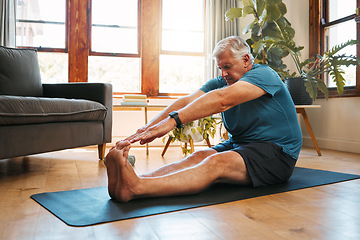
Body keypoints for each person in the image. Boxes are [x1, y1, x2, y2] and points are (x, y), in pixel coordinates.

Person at [105, 36, 303, 202]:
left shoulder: (264, 75)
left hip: (278, 153)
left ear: (246, 60)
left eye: (228, 66)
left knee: (215, 162)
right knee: (198, 157)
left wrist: (172, 122)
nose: (224, 73)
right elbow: (188, 101)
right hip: (241, 144)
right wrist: (147, 128)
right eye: (220, 68)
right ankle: (134, 180)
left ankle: (136, 188)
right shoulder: (223, 80)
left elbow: (222, 100)